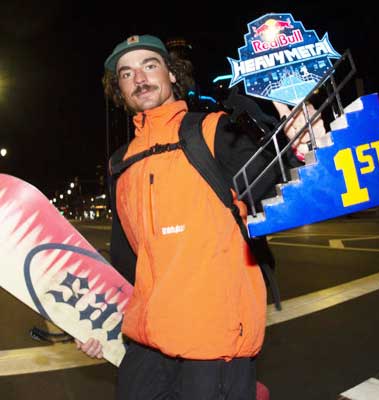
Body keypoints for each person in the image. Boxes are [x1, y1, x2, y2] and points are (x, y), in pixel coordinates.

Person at [76, 34, 325, 400]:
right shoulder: (120, 163)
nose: (140, 78)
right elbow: (126, 262)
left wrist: (303, 148)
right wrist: (100, 326)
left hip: (213, 339)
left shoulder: (211, 131)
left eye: (150, 66)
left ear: (172, 75)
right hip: (148, 339)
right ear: (119, 89)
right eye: (127, 74)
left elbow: (279, 180)